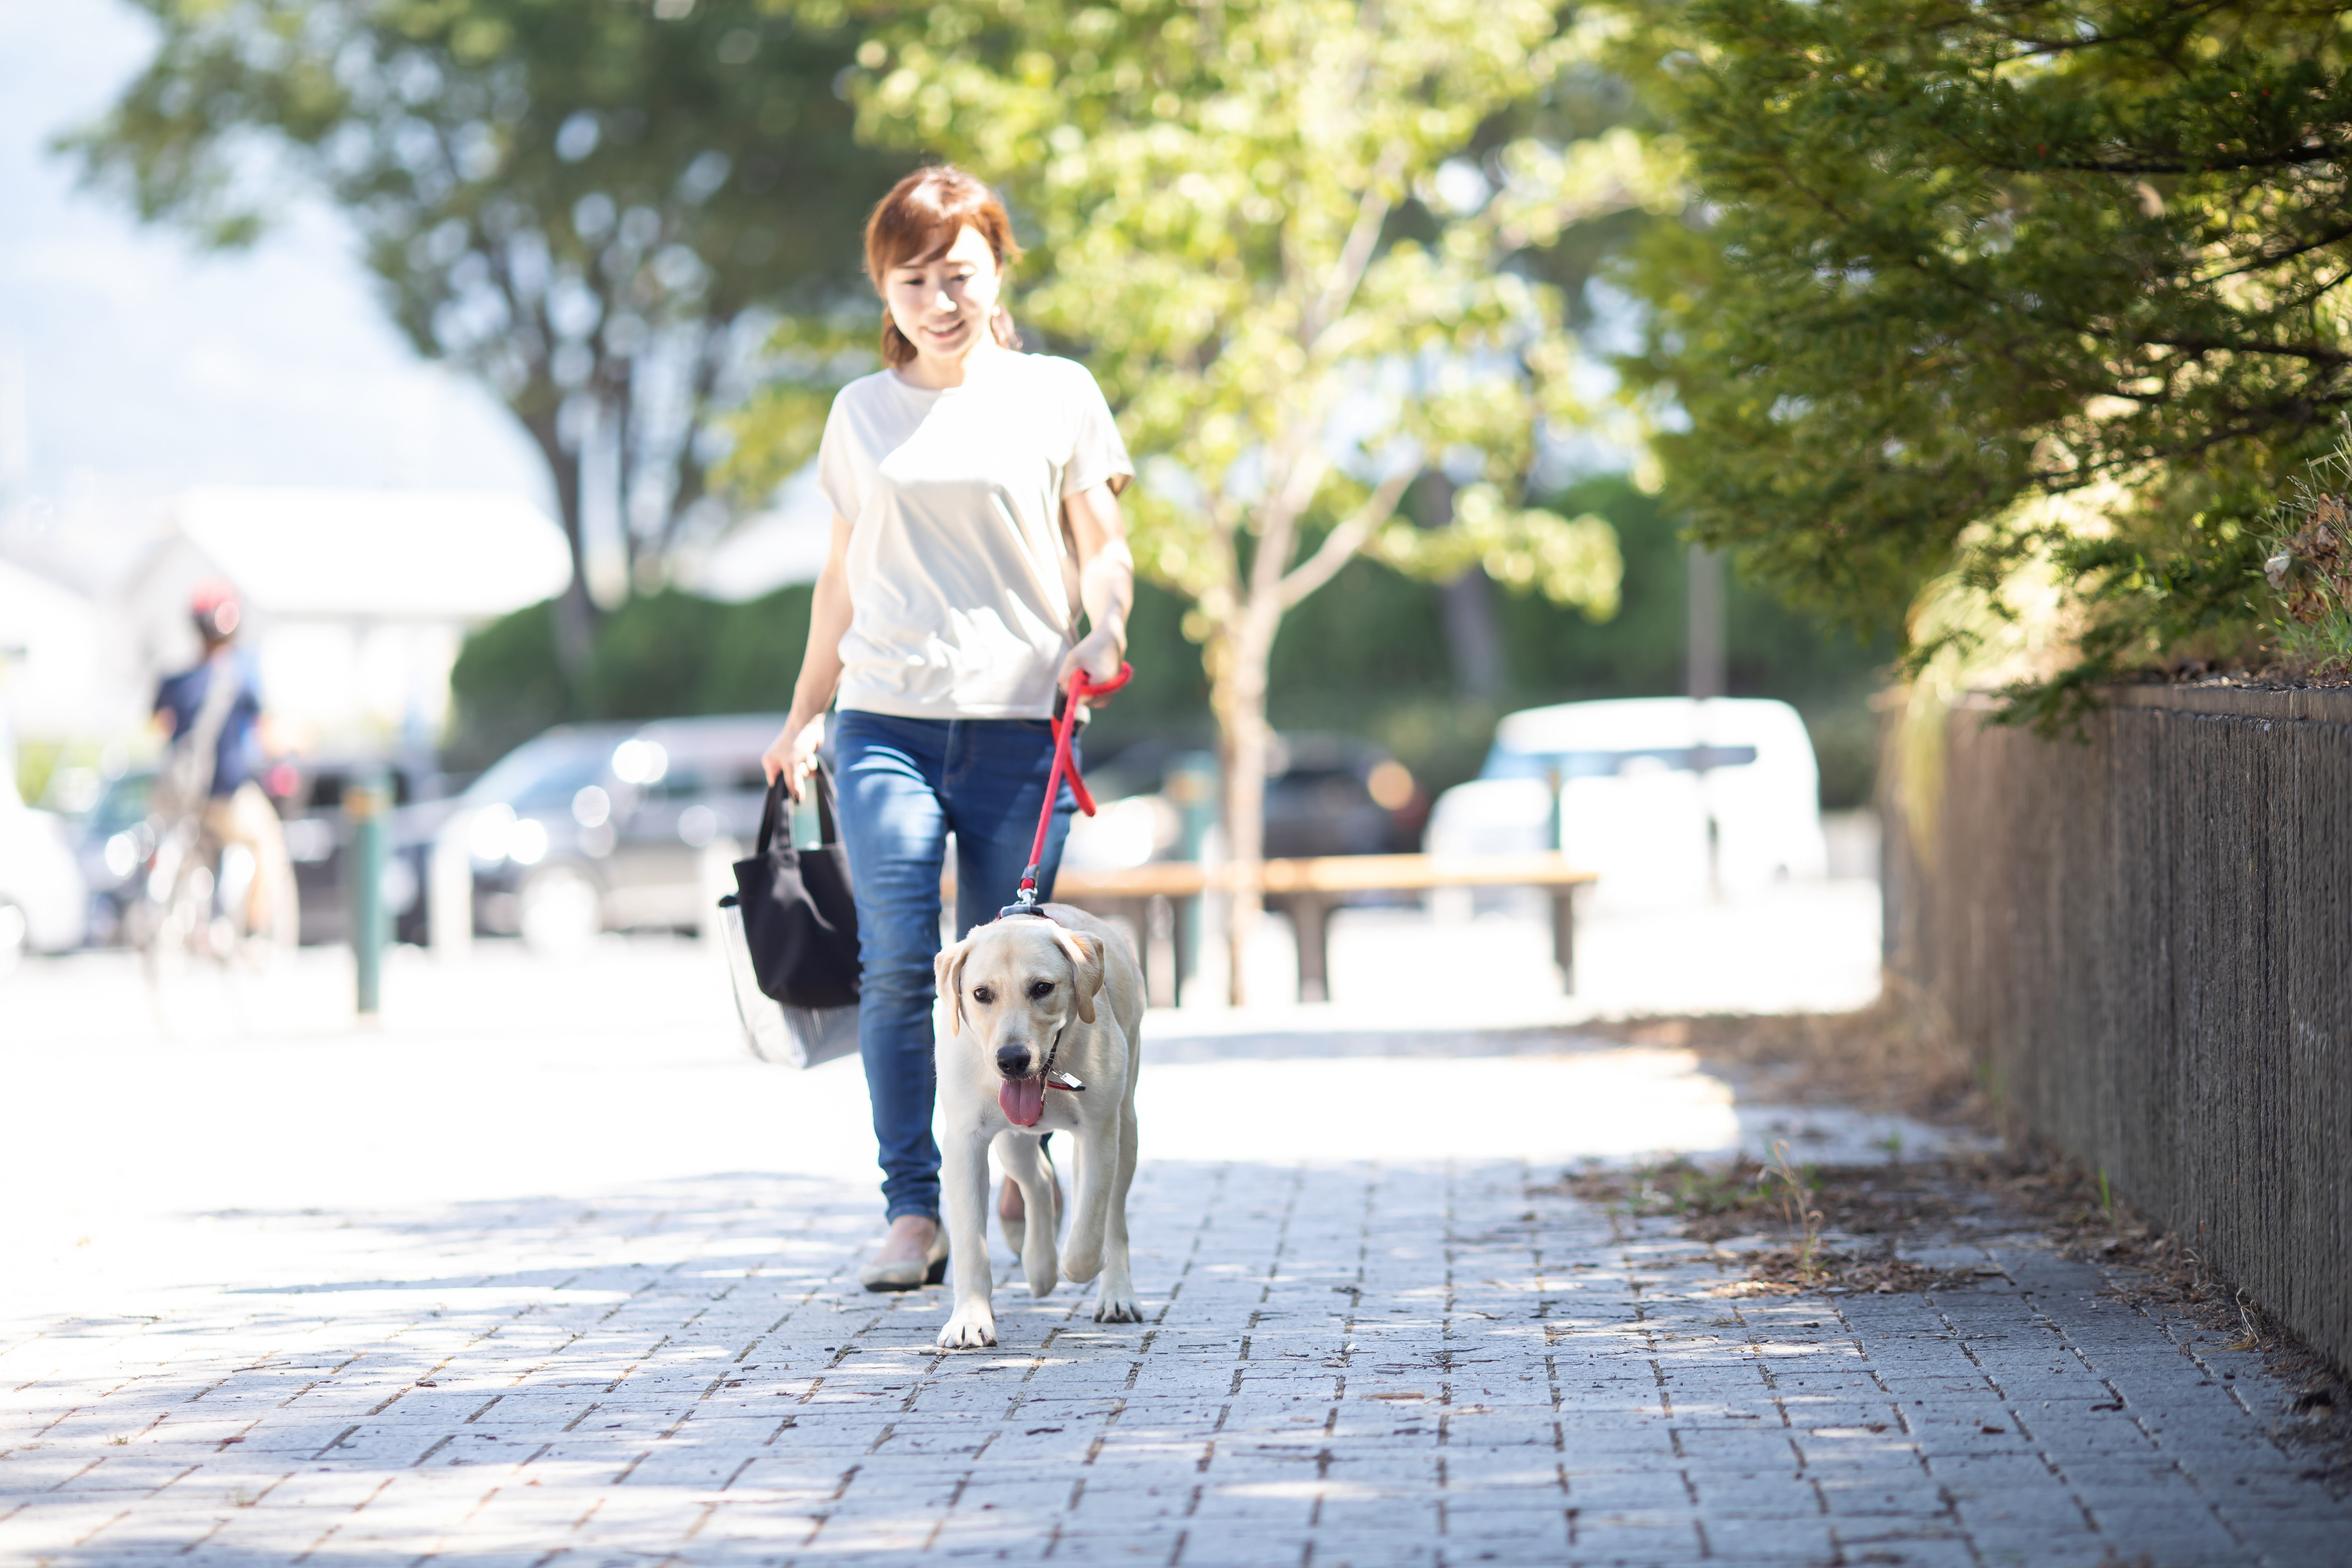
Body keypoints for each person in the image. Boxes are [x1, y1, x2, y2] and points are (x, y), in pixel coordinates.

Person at [761, 166, 1135, 1291]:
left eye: (958, 273)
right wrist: (803, 709)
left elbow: (1103, 544)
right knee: (901, 968)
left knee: (1016, 964)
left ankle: (1018, 1172)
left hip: (1023, 724)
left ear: (995, 270)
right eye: (913, 277)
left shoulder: (1057, 392)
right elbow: (841, 575)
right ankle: (916, 1208)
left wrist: (1103, 629)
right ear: (883, 286)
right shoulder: (858, 413)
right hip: (885, 722)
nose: (938, 298)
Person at [153, 579, 295, 946]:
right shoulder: (243, 674)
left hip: (183, 798)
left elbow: (159, 727)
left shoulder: (175, 681)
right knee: (269, 841)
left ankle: (206, 920)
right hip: (227, 795)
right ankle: (252, 933)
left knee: (202, 846)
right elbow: (263, 735)